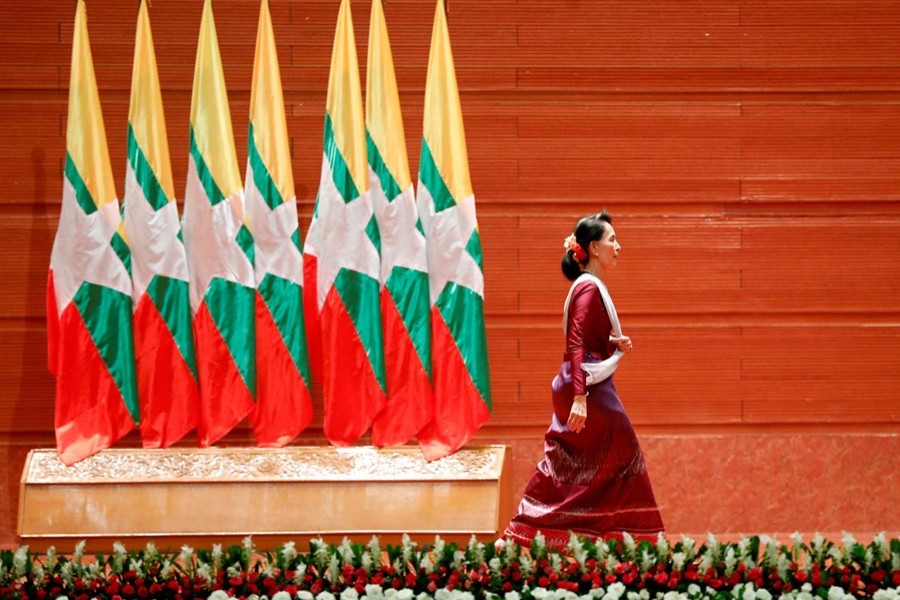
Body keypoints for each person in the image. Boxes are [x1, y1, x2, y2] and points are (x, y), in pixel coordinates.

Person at [504, 211, 664, 547]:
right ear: (593, 247)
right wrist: (580, 397)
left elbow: (587, 339)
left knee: (575, 464)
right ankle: (628, 541)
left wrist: (612, 343)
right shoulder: (589, 288)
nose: (618, 247)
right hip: (587, 387)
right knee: (622, 458)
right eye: (612, 240)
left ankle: (533, 533)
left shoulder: (588, 287)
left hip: (586, 383)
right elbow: (574, 342)